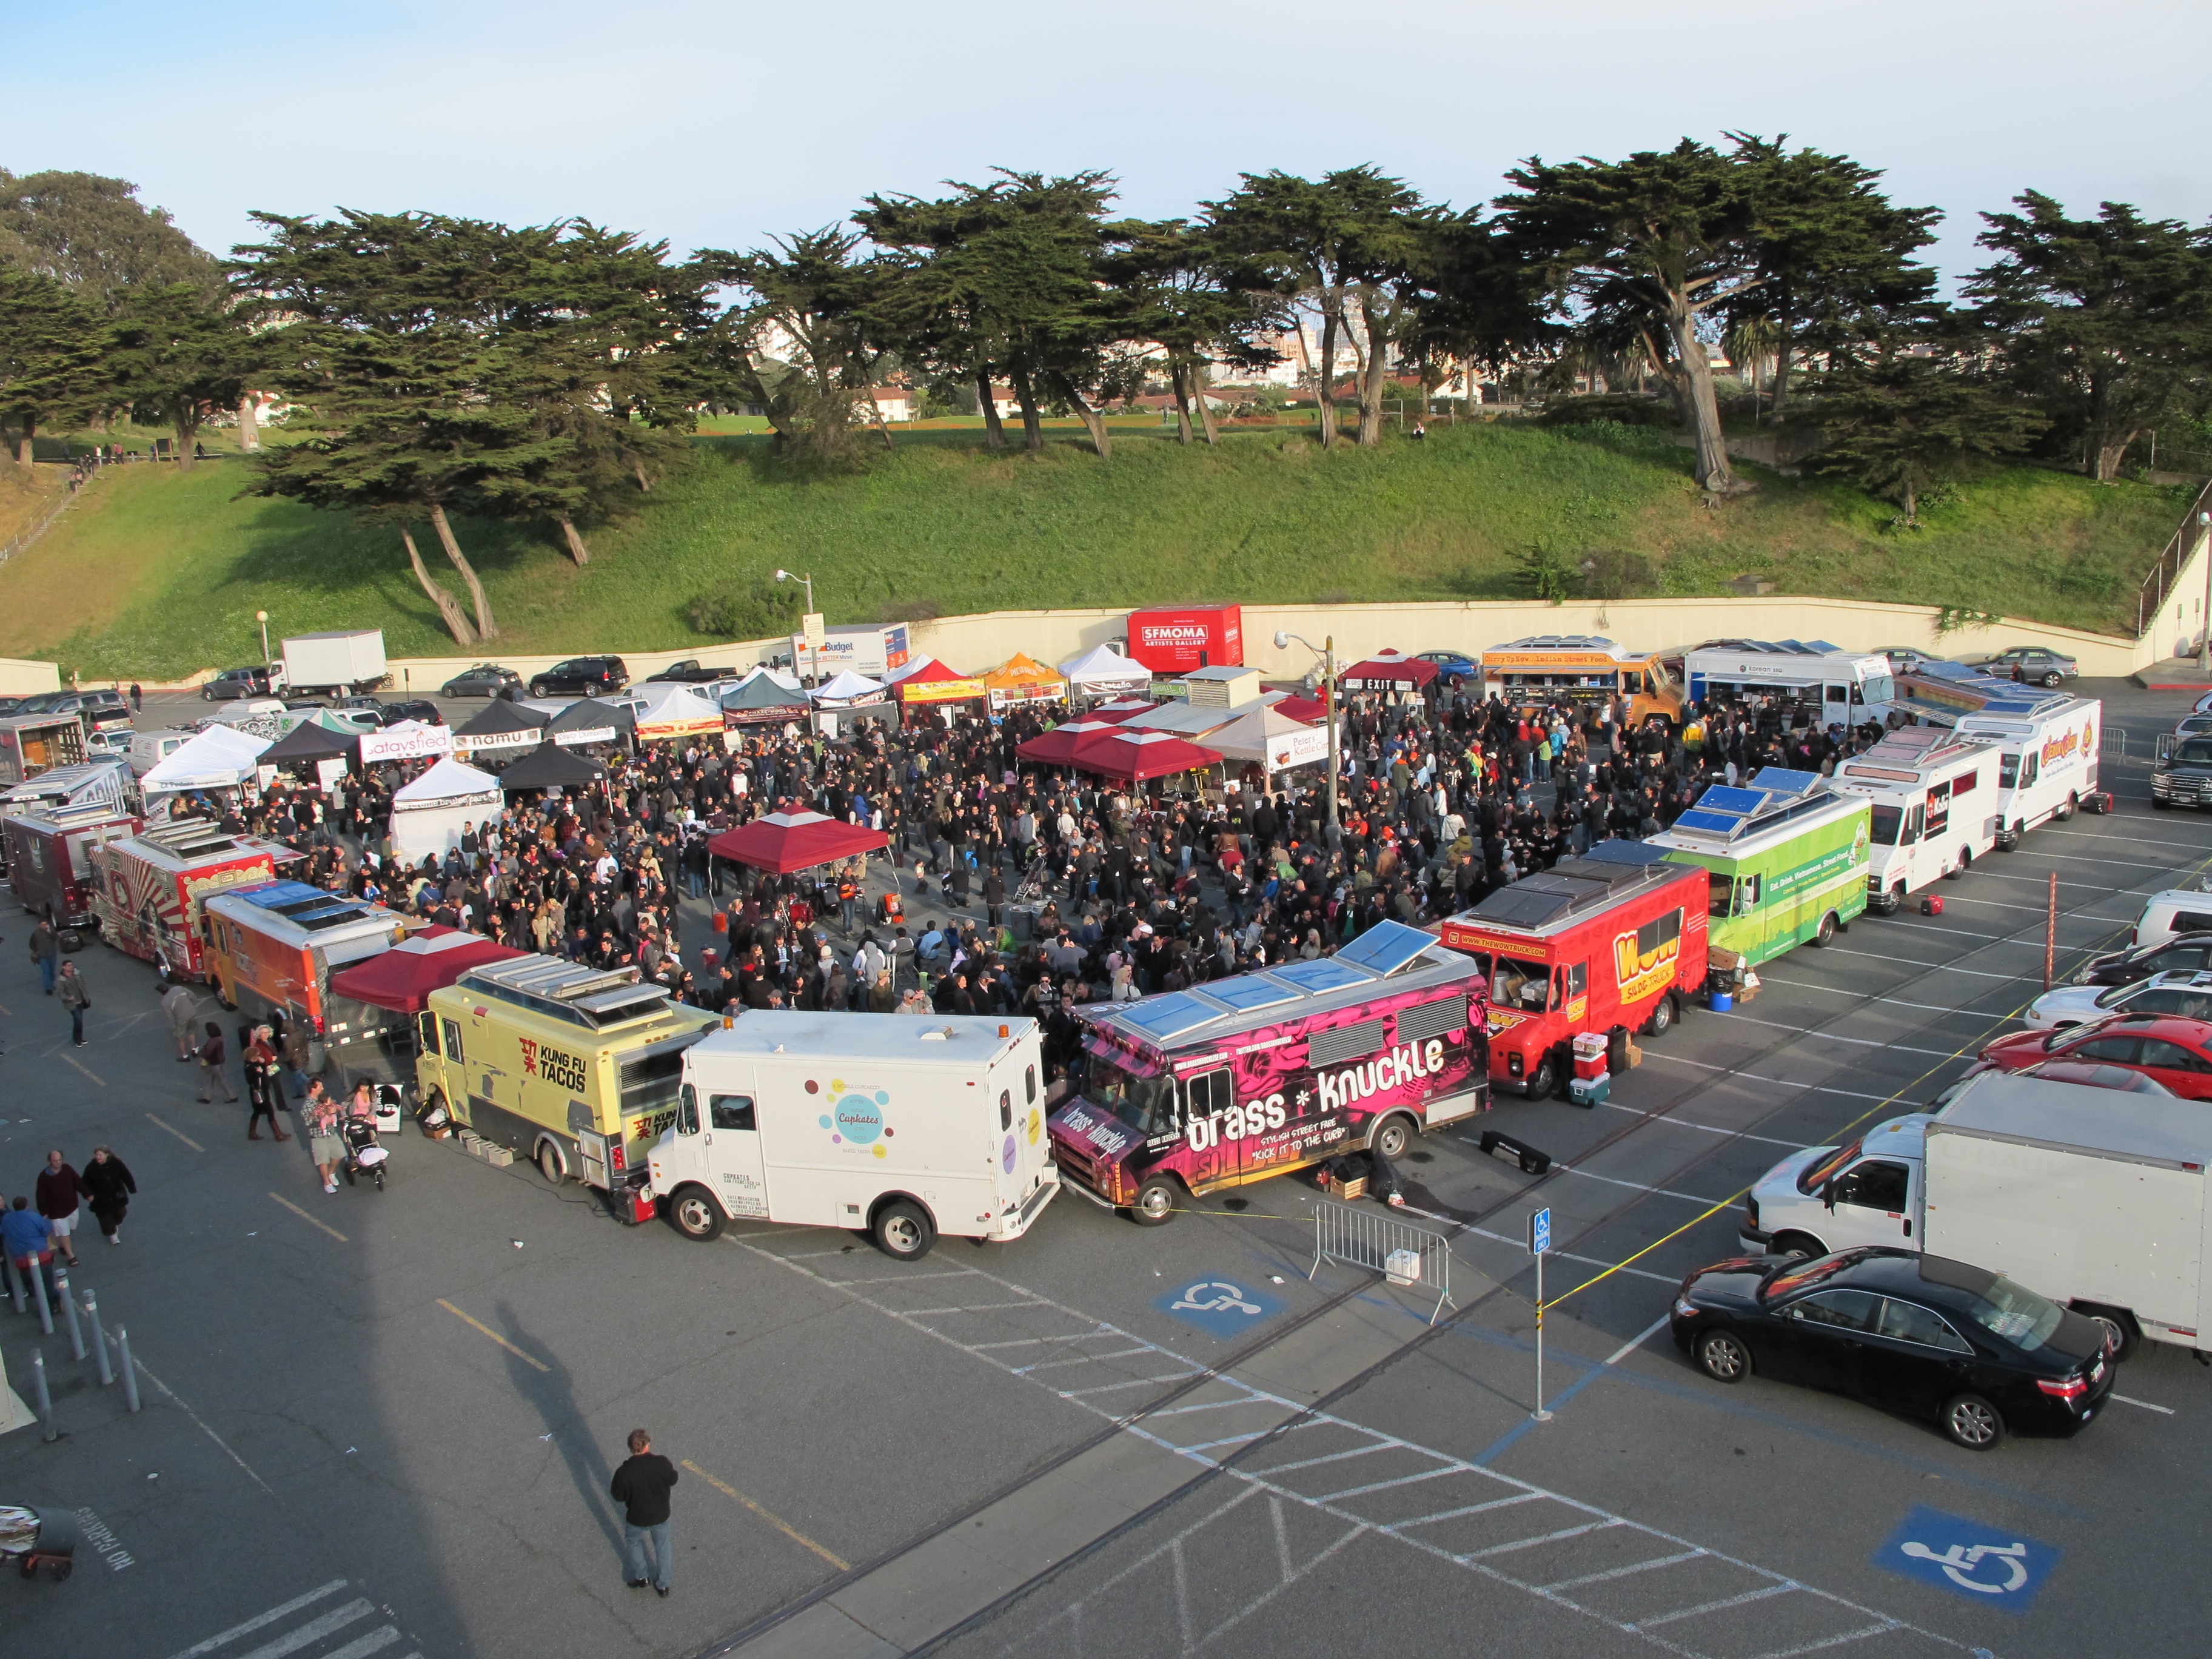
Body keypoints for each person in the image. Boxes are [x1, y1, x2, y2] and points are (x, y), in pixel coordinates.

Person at [609, 1428, 678, 1597]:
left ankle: (642, 1576)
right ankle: (663, 1585)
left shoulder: (624, 1472)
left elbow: (618, 1496)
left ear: (632, 1448)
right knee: (662, 1547)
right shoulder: (661, 1463)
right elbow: (673, 1479)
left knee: (633, 1542)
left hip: (637, 1517)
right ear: (647, 1445)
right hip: (661, 1514)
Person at [2, 1196, 58, 1312]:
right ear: (26, 1205)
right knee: (47, 1282)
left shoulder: (7, 1219)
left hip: (21, 1260)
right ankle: (51, 1307)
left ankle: (49, 1302)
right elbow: (46, 1229)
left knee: (33, 1282)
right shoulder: (33, 1217)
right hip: (41, 1256)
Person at [35, 1150, 89, 1267]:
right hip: (57, 1213)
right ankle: (71, 1256)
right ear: (50, 1161)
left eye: (60, 1160)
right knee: (65, 1234)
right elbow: (41, 1196)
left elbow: (78, 1182)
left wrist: (87, 1194)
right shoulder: (44, 1177)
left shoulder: (67, 1169)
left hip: (72, 1208)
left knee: (72, 1228)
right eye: (55, 1160)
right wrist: (43, 1212)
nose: (58, 1162)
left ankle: (59, 1243)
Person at [81, 1146, 136, 1244]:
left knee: (121, 1212)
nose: (98, 1157)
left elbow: (126, 1175)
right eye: (96, 1155)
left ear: (107, 1155)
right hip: (100, 1199)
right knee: (105, 1219)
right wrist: (88, 1195)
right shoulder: (91, 1168)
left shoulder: (116, 1163)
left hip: (117, 1196)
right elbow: (85, 1183)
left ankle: (115, 1223)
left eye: (100, 1155)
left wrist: (132, 1188)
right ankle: (113, 1235)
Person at [244, 1025, 288, 1139]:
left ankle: (252, 1133)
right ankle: (278, 1134)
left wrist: (262, 1065)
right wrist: (259, 1071)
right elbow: (252, 1079)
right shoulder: (251, 1067)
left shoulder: (252, 1065)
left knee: (257, 1112)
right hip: (259, 1092)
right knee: (270, 1112)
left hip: (259, 1092)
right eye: (258, 1056)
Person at [304, 1080, 344, 1193]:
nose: (322, 1087)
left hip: (332, 1133)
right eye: (320, 1086)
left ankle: (331, 1172)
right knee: (323, 1160)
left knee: (340, 1154)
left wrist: (335, 1112)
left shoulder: (325, 1098)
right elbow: (308, 1123)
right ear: (313, 1089)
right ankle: (327, 1183)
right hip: (318, 1136)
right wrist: (325, 1121)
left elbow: (335, 1107)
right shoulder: (309, 1105)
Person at [196, 1021, 239, 1104]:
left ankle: (233, 1096)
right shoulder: (219, 1038)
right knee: (211, 1079)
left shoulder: (212, 1041)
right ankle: (206, 1097)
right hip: (219, 1061)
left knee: (221, 1080)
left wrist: (201, 1052)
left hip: (214, 1063)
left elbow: (208, 1053)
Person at [161, 981, 200, 1062]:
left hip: (182, 1019)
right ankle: (194, 1049)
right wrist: (194, 1003)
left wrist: (174, 1028)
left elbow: (171, 1018)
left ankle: (185, 1056)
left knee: (181, 1038)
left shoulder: (165, 1003)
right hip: (192, 1014)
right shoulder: (179, 988)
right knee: (192, 1031)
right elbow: (192, 995)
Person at [56, 960, 90, 1046]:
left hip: (81, 1001)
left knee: (79, 1021)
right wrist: (68, 998)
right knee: (78, 1020)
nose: (71, 967)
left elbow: (83, 983)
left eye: (71, 965)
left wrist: (85, 993)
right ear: (64, 967)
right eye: (69, 965)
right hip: (72, 1004)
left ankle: (79, 1038)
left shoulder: (77, 974)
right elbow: (60, 993)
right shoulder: (62, 980)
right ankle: (77, 1040)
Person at [28, 919, 58, 996]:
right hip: (42, 956)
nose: (44, 926)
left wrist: (50, 931)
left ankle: (51, 984)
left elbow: (56, 938)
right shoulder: (36, 934)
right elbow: (31, 944)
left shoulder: (51, 931)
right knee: (46, 971)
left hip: (52, 954)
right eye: (42, 924)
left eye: (46, 924)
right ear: (39, 925)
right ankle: (49, 988)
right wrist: (37, 951)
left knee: (52, 971)